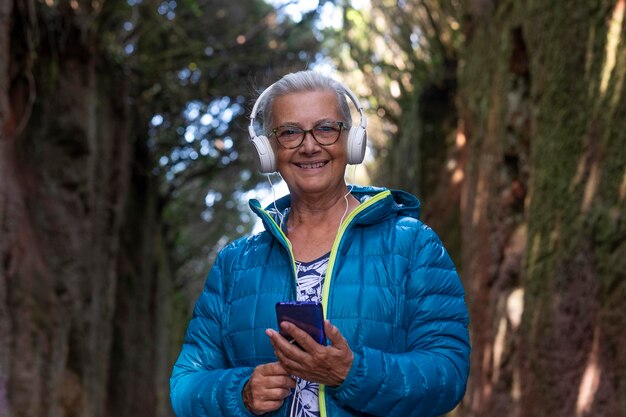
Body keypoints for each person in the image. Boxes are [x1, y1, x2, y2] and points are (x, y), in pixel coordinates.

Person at [170, 70, 471, 417]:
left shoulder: (413, 245)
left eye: (326, 128)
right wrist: (241, 392)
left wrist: (352, 373)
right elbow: (185, 386)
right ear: (268, 150)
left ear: (351, 141)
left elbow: (448, 373)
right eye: (290, 132)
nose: (309, 145)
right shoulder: (234, 264)